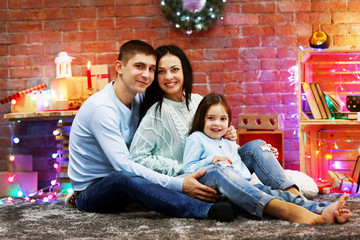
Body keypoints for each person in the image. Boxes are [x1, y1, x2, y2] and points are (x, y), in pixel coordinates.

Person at [129, 45, 351, 224]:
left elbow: (213, 135)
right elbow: (137, 158)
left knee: (255, 146)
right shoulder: (156, 113)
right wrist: (179, 170)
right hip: (195, 175)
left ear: (184, 71)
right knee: (219, 169)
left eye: (174, 69)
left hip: (224, 166)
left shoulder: (197, 100)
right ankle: (284, 210)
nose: (169, 76)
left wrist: (226, 136)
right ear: (155, 76)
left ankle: (304, 202)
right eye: (161, 71)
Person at [66, 40, 234, 222]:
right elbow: (124, 166)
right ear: (119, 67)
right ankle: (205, 210)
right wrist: (179, 184)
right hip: (93, 191)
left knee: (137, 177)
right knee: (124, 177)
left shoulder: (139, 97)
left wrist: (221, 129)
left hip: (130, 183)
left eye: (152, 69)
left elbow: (182, 106)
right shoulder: (102, 109)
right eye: (139, 66)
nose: (146, 74)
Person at [183, 92, 352, 224]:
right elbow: (188, 169)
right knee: (222, 169)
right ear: (201, 119)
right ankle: (291, 212)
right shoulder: (196, 138)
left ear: (228, 122)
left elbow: (241, 159)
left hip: (244, 185)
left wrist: (266, 153)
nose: (217, 124)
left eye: (222, 119)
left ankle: (320, 209)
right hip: (219, 188)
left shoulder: (227, 141)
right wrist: (210, 159)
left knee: (273, 187)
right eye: (211, 118)